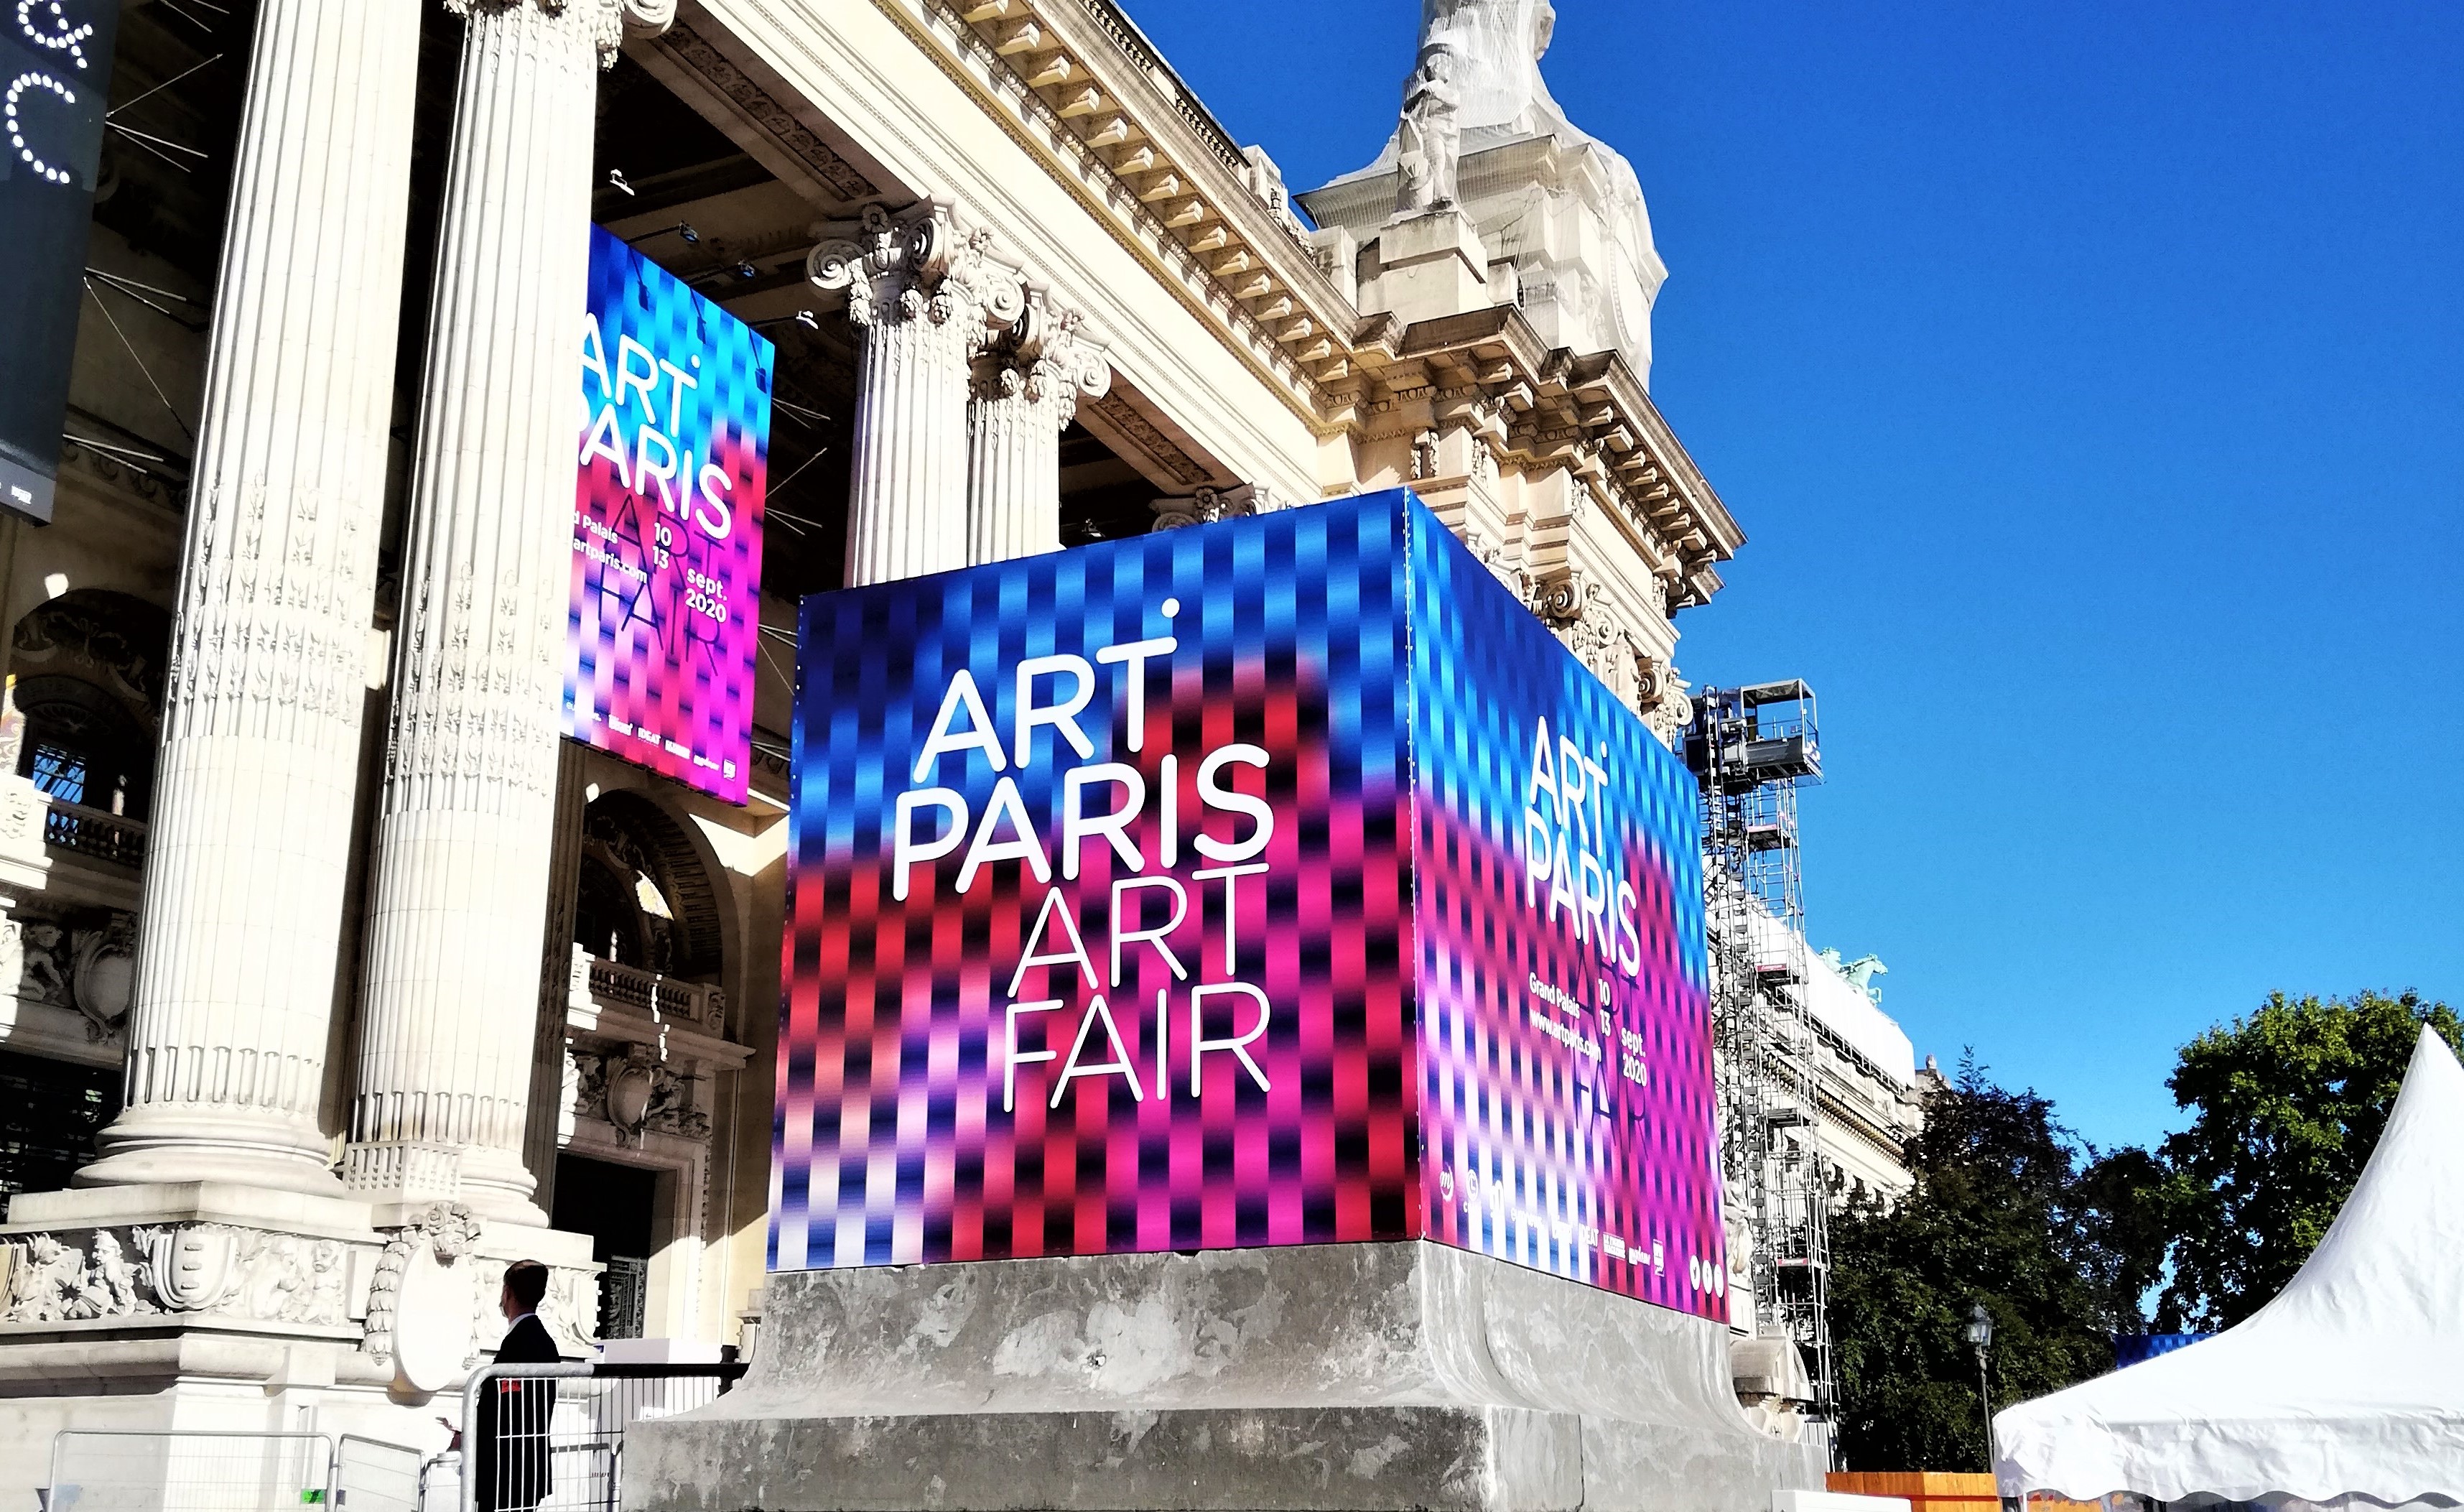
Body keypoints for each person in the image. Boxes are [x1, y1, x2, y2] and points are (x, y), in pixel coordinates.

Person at [470, 1260, 559, 1512]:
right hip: (524, 1467)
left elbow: (505, 1406)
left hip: (506, 1469)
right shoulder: (543, 1340)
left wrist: (472, 1432)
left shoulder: (521, 1342)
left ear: (507, 1292)